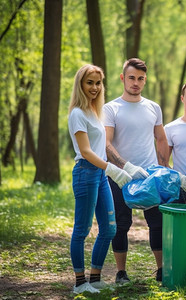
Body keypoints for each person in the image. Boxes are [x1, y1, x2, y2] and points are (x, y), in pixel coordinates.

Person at [102, 58, 169, 283]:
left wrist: (163, 168)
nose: (136, 83)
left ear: (145, 80)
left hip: (149, 177)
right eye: (131, 77)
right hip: (120, 177)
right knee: (121, 224)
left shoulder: (153, 107)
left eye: (140, 79)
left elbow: (161, 138)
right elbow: (106, 143)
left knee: (157, 223)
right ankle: (121, 273)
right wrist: (125, 166)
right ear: (123, 78)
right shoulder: (111, 108)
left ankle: (162, 270)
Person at [68, 64, 132, 294]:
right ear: (80, 85)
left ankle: (94, 278)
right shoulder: (77, 113)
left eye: (98, 83)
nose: (94, 87)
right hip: (86, 172)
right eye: (89, 82)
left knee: (109, 229)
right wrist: (112, 169)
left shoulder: (96, 112)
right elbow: (86, 151)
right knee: (82, 229)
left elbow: (101, 145)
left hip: (101, 174)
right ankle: (79, 283)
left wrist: (121, 166)